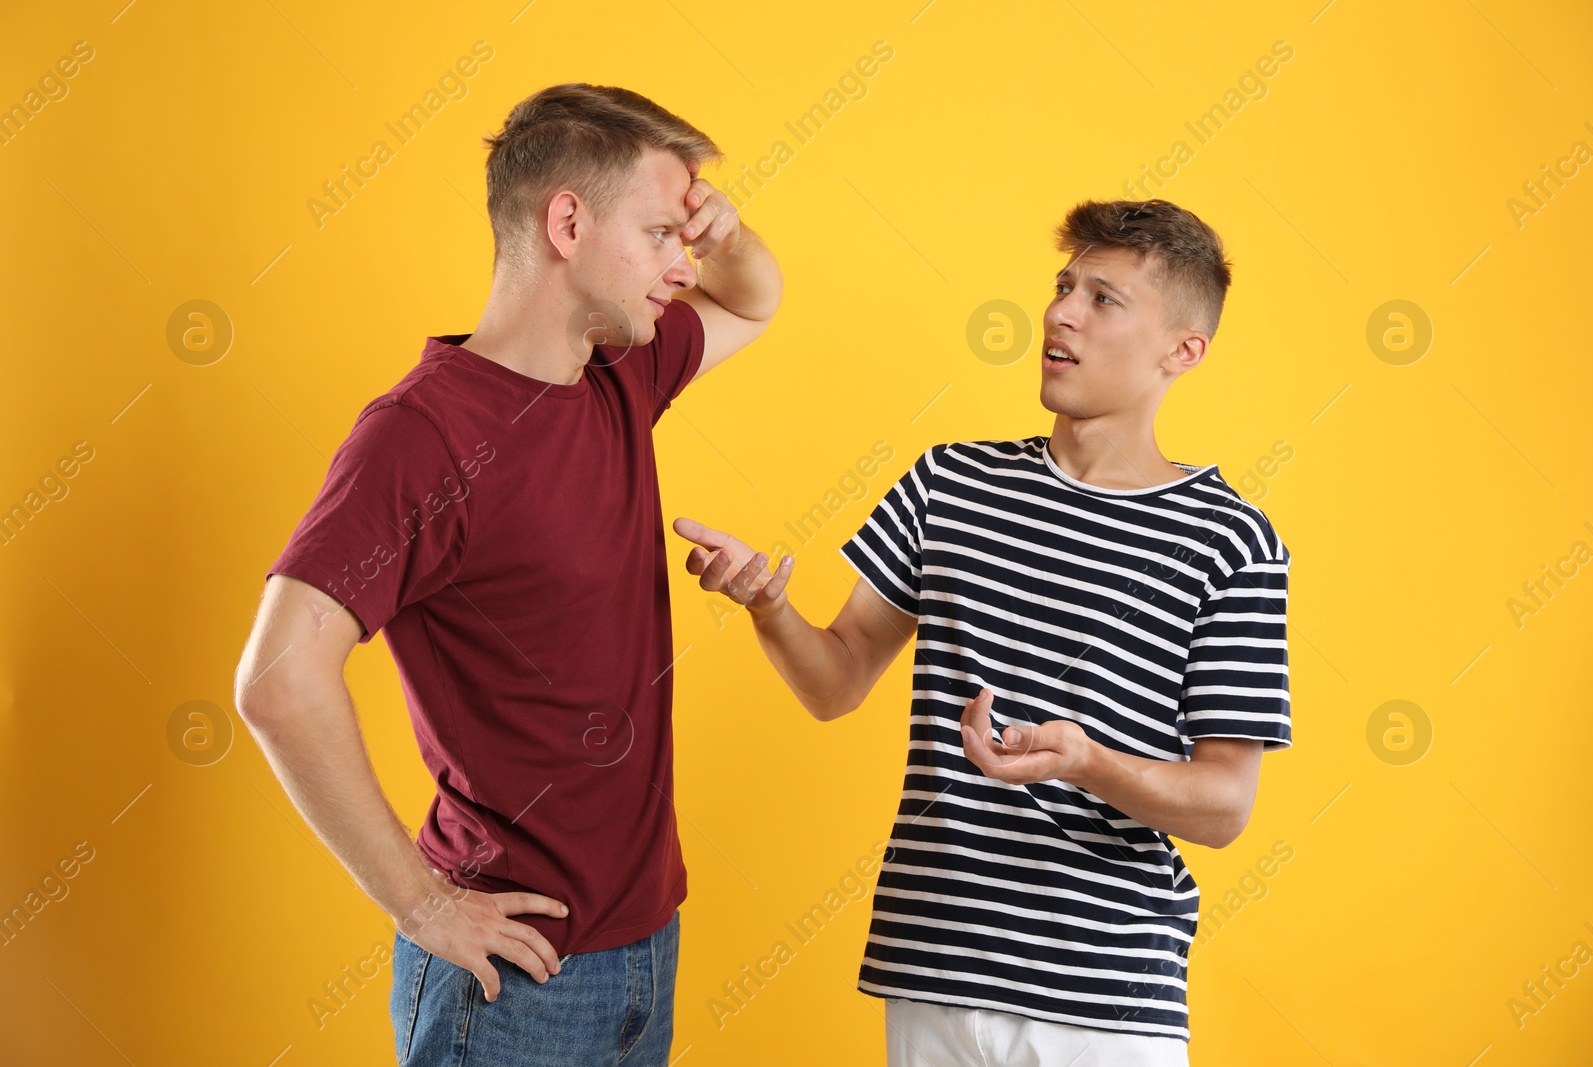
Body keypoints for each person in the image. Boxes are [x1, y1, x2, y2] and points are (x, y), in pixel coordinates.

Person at [233, 83, 781, 1067]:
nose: (681, 262)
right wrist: (420, 900)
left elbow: (753, 296)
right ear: (566, 222)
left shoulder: (623, 373)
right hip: (516, 981)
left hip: (645, 945)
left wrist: (725, 231)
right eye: (661, 230)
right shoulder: (423, 436)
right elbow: (278, 679)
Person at [674, 199, 1290, 1066]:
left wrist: (1088, 762)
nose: (1061, 313)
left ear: (1182, 350)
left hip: (1102, 997)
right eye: (1063, 285)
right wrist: (767, 607)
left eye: (1104, 299)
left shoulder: (1229, 541)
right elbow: (836, 680)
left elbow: (1225, 806)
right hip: (932, 967)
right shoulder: (951, 482)